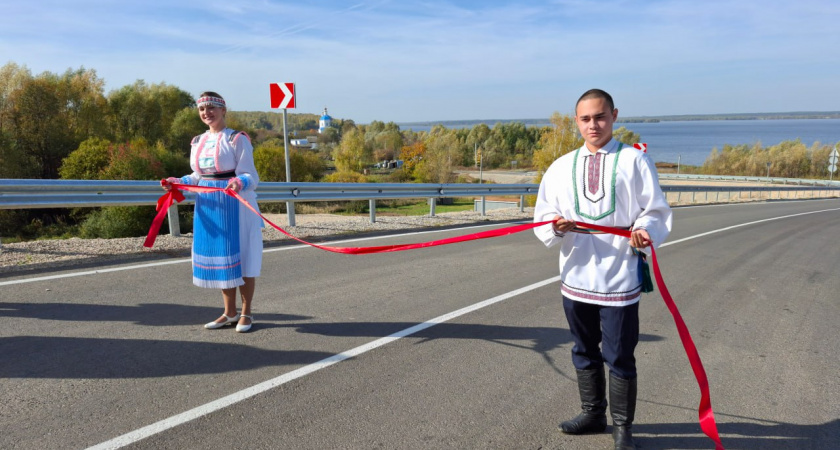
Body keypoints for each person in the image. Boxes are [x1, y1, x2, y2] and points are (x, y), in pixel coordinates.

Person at [533, 89, 672, 450]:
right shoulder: (561, 166)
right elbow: (544, 213)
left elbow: (654, 209)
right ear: (576, 121)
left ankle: (623, 428)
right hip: (576, 274)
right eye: (585, 118)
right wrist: (555, 226)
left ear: (613, 115)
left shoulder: (635, 161)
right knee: (583, 348)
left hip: (619, 274)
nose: (593, 125)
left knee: (619, 354)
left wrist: (645, 230)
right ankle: (593, 414)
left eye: (600, 117)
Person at [162, 91, 263, 333]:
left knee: (243, 259)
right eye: (202, 109)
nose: (206, 113)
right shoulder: (197, 141)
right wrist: (177, 181)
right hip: (208, 204)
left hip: (236, 204)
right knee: (221, 259)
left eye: (211, 108)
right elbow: (198, 176)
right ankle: (229, 312)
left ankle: (246, 313)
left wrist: (239, 182)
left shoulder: (237, 139)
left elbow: (251, 175)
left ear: (223, 110)